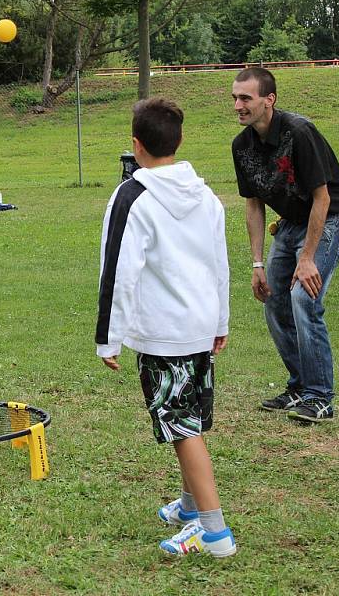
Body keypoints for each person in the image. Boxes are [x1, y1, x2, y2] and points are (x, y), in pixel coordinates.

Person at [96, 98, 235, 557]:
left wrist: (108, 338)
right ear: (179, 141)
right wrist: (220, 321)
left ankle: (213, 532)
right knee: (189, 419)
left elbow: (117, 270)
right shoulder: (206, 195)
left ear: (136, 145)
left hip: (165, 332)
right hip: (198, 327)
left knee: (182, 427)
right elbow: (221, 263)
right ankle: (191, 508)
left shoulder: (131, 196)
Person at [231, 68, 339, 423]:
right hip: (289, 225)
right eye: (235, 98)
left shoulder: (299, 132)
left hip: (328, 220)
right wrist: (257, 264)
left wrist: (308, 258)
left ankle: (321, 397)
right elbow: (253, 203)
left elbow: (323, 197)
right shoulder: (241, 146)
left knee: (304, 298)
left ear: (269, 100)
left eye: (246, 98)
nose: (238, 105)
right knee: (274, 299)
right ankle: (300, 386)